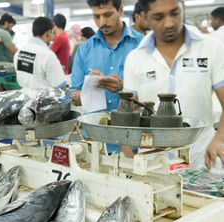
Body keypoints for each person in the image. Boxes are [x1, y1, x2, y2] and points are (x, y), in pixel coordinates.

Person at [123, 0, 224, 168]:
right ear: (145, 18)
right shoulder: (135, 58)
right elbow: (128, 112)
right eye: (158, 17)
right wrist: (127, 154)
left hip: (201, 156)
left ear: (183, 9)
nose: (169, 23)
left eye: (175, 13)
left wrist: (220, 139)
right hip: (152, 160)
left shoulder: (210, 48)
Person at [70, 0, 143, 112]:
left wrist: (124, 88)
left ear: (121, 10)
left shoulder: (142, 46)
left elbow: (154, 94)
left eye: (107, 15)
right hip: (93, 127)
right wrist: (89, 88)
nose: (102, 22)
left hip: (131, 127)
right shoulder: (84, 50)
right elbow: (74, 96)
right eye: (96, 17)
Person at [13, 17, 67, 98]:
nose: (53, 37)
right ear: (47, 33)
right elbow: (60, 86)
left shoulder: (19, 52)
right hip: (44, 102)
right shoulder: (48, 55)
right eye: (52, 33)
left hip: (23, 98)